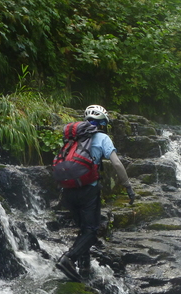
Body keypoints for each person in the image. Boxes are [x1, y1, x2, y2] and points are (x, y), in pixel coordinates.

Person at [56, 104, 135, 281]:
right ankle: (68, 259)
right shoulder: (102, 138)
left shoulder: (71, 139)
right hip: (88, 191)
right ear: (102, 123)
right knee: (91, 230)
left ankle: (84, 267)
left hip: (68, 189)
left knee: (83, 228)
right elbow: (116, 163)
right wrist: (128, 186)